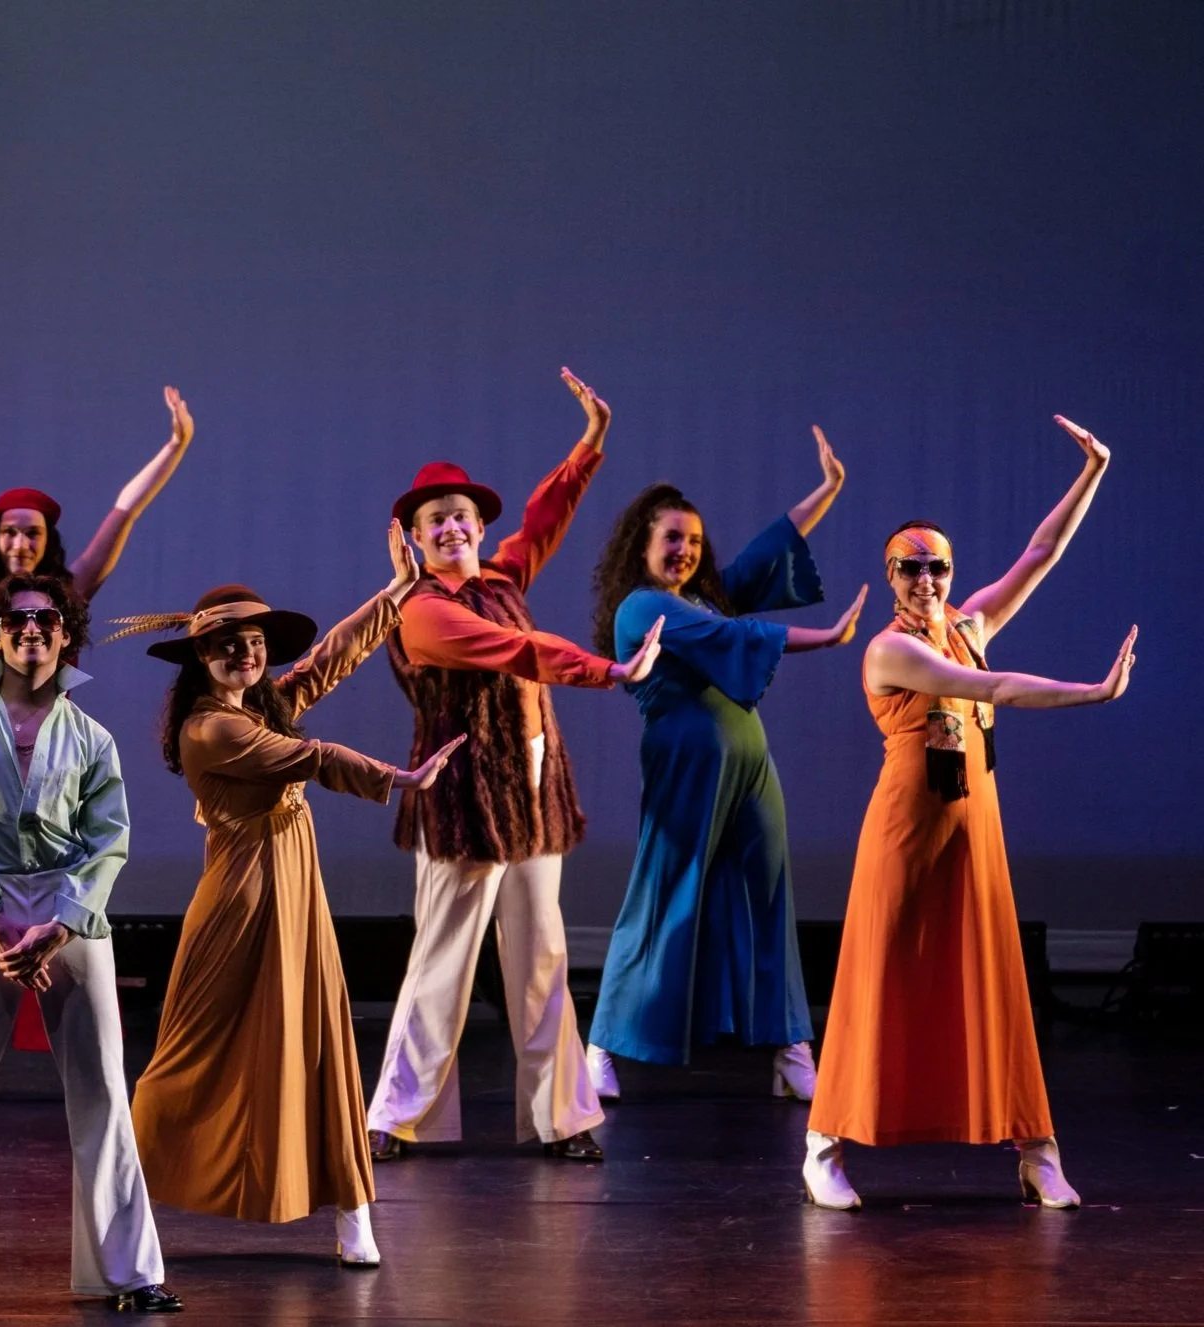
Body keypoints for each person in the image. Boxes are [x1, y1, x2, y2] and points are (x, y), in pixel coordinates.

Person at [803, 416, 1132, 1212]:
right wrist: (1088, 692)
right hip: (907, 832)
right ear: (890, 576)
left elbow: (1039, 554)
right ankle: (823, 1146)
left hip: (973, 830)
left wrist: (1093, 470)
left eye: (938, 567)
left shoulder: (969, 626)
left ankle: (1036, 1149)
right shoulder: (889, 649)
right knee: (879, 978)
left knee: (995, 981)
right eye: (910, 568)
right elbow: (993, 688)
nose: (927, 580)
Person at [121, 523, 461, 1267]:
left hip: (296, 889)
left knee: (322, 1043)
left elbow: (329, 659)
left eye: (254, 641)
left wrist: (397, 591)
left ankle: (352, 1211)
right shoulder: (207, 728)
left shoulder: (261, 702)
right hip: (241, 894)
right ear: (201, 659)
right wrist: (395, 778)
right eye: (228, 645)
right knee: (193, 1049)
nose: (245, 652)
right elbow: (307, 755)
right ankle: (122, 1193)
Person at [365, 370, 660, 1165]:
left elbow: (544, 518)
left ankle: (562, 1117)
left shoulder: (501, 578)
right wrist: (608, 669)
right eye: (438, 520)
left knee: (542, 956)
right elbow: (518, 650)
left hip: (532, 790)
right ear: (413, 537)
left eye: (462, 516)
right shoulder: (420, 609)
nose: (455, 527)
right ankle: (397, 1114)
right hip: (462, 793)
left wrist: (590, 443)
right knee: (444, 956)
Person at [0, 368, 195, 1055]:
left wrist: (174, 447)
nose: (20, 543)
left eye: (33, 533)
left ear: (48, 541)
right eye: (10, 533)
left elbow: (124, 512)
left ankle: (66, 1024)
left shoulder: (69, 592)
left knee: (64, 882)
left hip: (53, 771)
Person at [0, 575, 178, 1315]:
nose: (32, 630)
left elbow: (109, 840)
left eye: (46, 619)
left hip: (68, 906)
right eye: (17, 620)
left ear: (64, 633)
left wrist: (63, 922)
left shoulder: (93, 737)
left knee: (105, 1088)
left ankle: (132, 1271)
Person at [581, 429, 863, 1104]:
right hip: (686, 765)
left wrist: (827, 490)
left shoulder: (702, 601)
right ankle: (602, 1045)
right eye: (673, 539)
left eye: (695, 543)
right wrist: (828, 636)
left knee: (769, 895)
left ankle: (791, 1046)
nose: (685, 551)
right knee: (664, 894)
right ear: (643, 546)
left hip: (750, 764)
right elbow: (734, 637)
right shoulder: (641, 607)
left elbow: (765, 557)